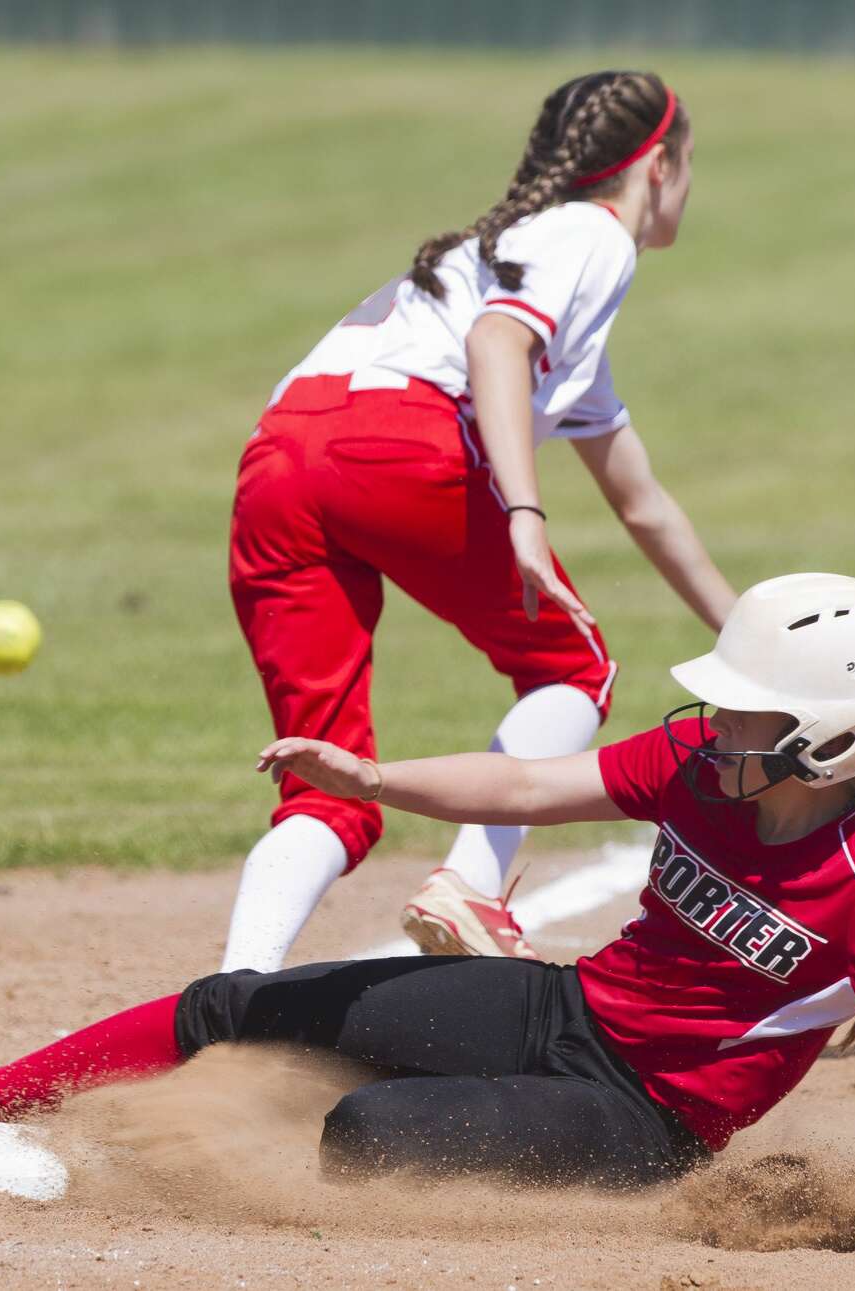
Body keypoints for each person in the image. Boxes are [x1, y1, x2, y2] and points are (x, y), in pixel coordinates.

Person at [0, 575, 855, 1189]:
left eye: (746, 706)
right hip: (565, 1007)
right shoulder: (695, 766)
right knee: (236, 1004)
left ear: (832, 735)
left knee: (372, 1132)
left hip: (650, 1119)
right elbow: (523, 788)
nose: (714, 717)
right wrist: (371, 772)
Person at [222, 68, 737, 973]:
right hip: (396, 443)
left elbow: (643, 505)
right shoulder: (591, 234)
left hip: (277, 459)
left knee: (327, 780)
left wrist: (756, 646)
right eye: (687, 164)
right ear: (656, 165)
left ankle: (231, 990)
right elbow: (496, 342)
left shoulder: (525, 257)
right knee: (573, 667)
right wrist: (526, 512)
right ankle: (468, 886)